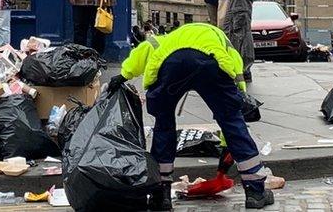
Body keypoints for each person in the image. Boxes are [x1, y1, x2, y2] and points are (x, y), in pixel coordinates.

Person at [108, 22, 275, 210]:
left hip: (170, 64)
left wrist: (122, 76)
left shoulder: (167, 40)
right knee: (232, 122)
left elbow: (144, 50)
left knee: (164, 126)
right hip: (211, 62)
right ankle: (255, 193)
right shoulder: (220, 40)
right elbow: (235, 70)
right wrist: (238, 104)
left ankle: (160, 196)